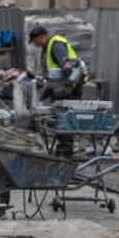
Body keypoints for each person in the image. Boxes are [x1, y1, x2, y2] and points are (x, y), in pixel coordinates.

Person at [28, 25, 88, 157]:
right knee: (61, 121)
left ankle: (65, 155)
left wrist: (66, 67)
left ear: (41, 37)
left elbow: (64, 60)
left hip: (70, 89)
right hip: (62, 89)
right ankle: (62, 152)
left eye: (35, 42)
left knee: (65, 121)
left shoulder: (55, 44)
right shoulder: (48, 46)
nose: (36, 45)